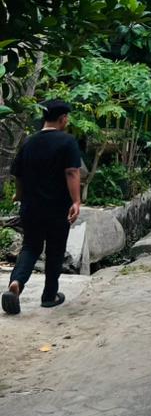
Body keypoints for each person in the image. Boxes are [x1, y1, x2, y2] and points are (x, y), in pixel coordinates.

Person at [2, 99, 82, 315]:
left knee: (30, 247)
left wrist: (19, 195)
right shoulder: (67, 141)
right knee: (55, 250)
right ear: (62, 118)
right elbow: (72, 172)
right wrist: (76, 201)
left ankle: (16, 282)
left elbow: (18, 174)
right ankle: (49, 296)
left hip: (31, 207)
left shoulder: (29, 142)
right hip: (57, 208)